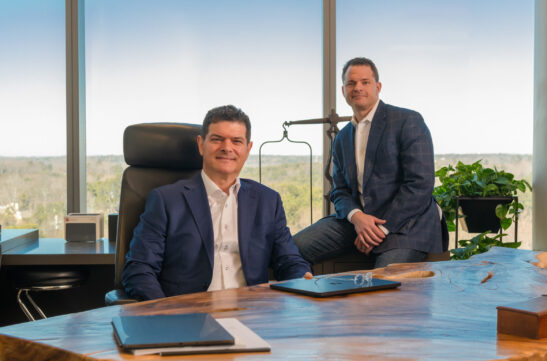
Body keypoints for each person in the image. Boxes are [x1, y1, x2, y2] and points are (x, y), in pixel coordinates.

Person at [122, 105, 312, 300]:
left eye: (236, 141)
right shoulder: (166, 200)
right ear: (200, 144)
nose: (227, 147)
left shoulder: (268, 201)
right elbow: (140, 269)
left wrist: (303, 278)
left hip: (252, 313)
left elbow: (288, 260)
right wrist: (166, 314)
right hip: (190, 317)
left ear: (248, 149)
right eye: (217, 139)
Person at [294, 57, 444, 268]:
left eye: (365, 82)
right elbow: (340, 190)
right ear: (343, 90)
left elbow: (419, 185)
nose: (358, 88)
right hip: (358, 222)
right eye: (351, 83)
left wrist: (379, 229)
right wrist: (357, 218)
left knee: (382, 283)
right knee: (292, 248)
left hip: (405, 224)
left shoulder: (407, 121)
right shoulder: (342, 137)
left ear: (378, 86)